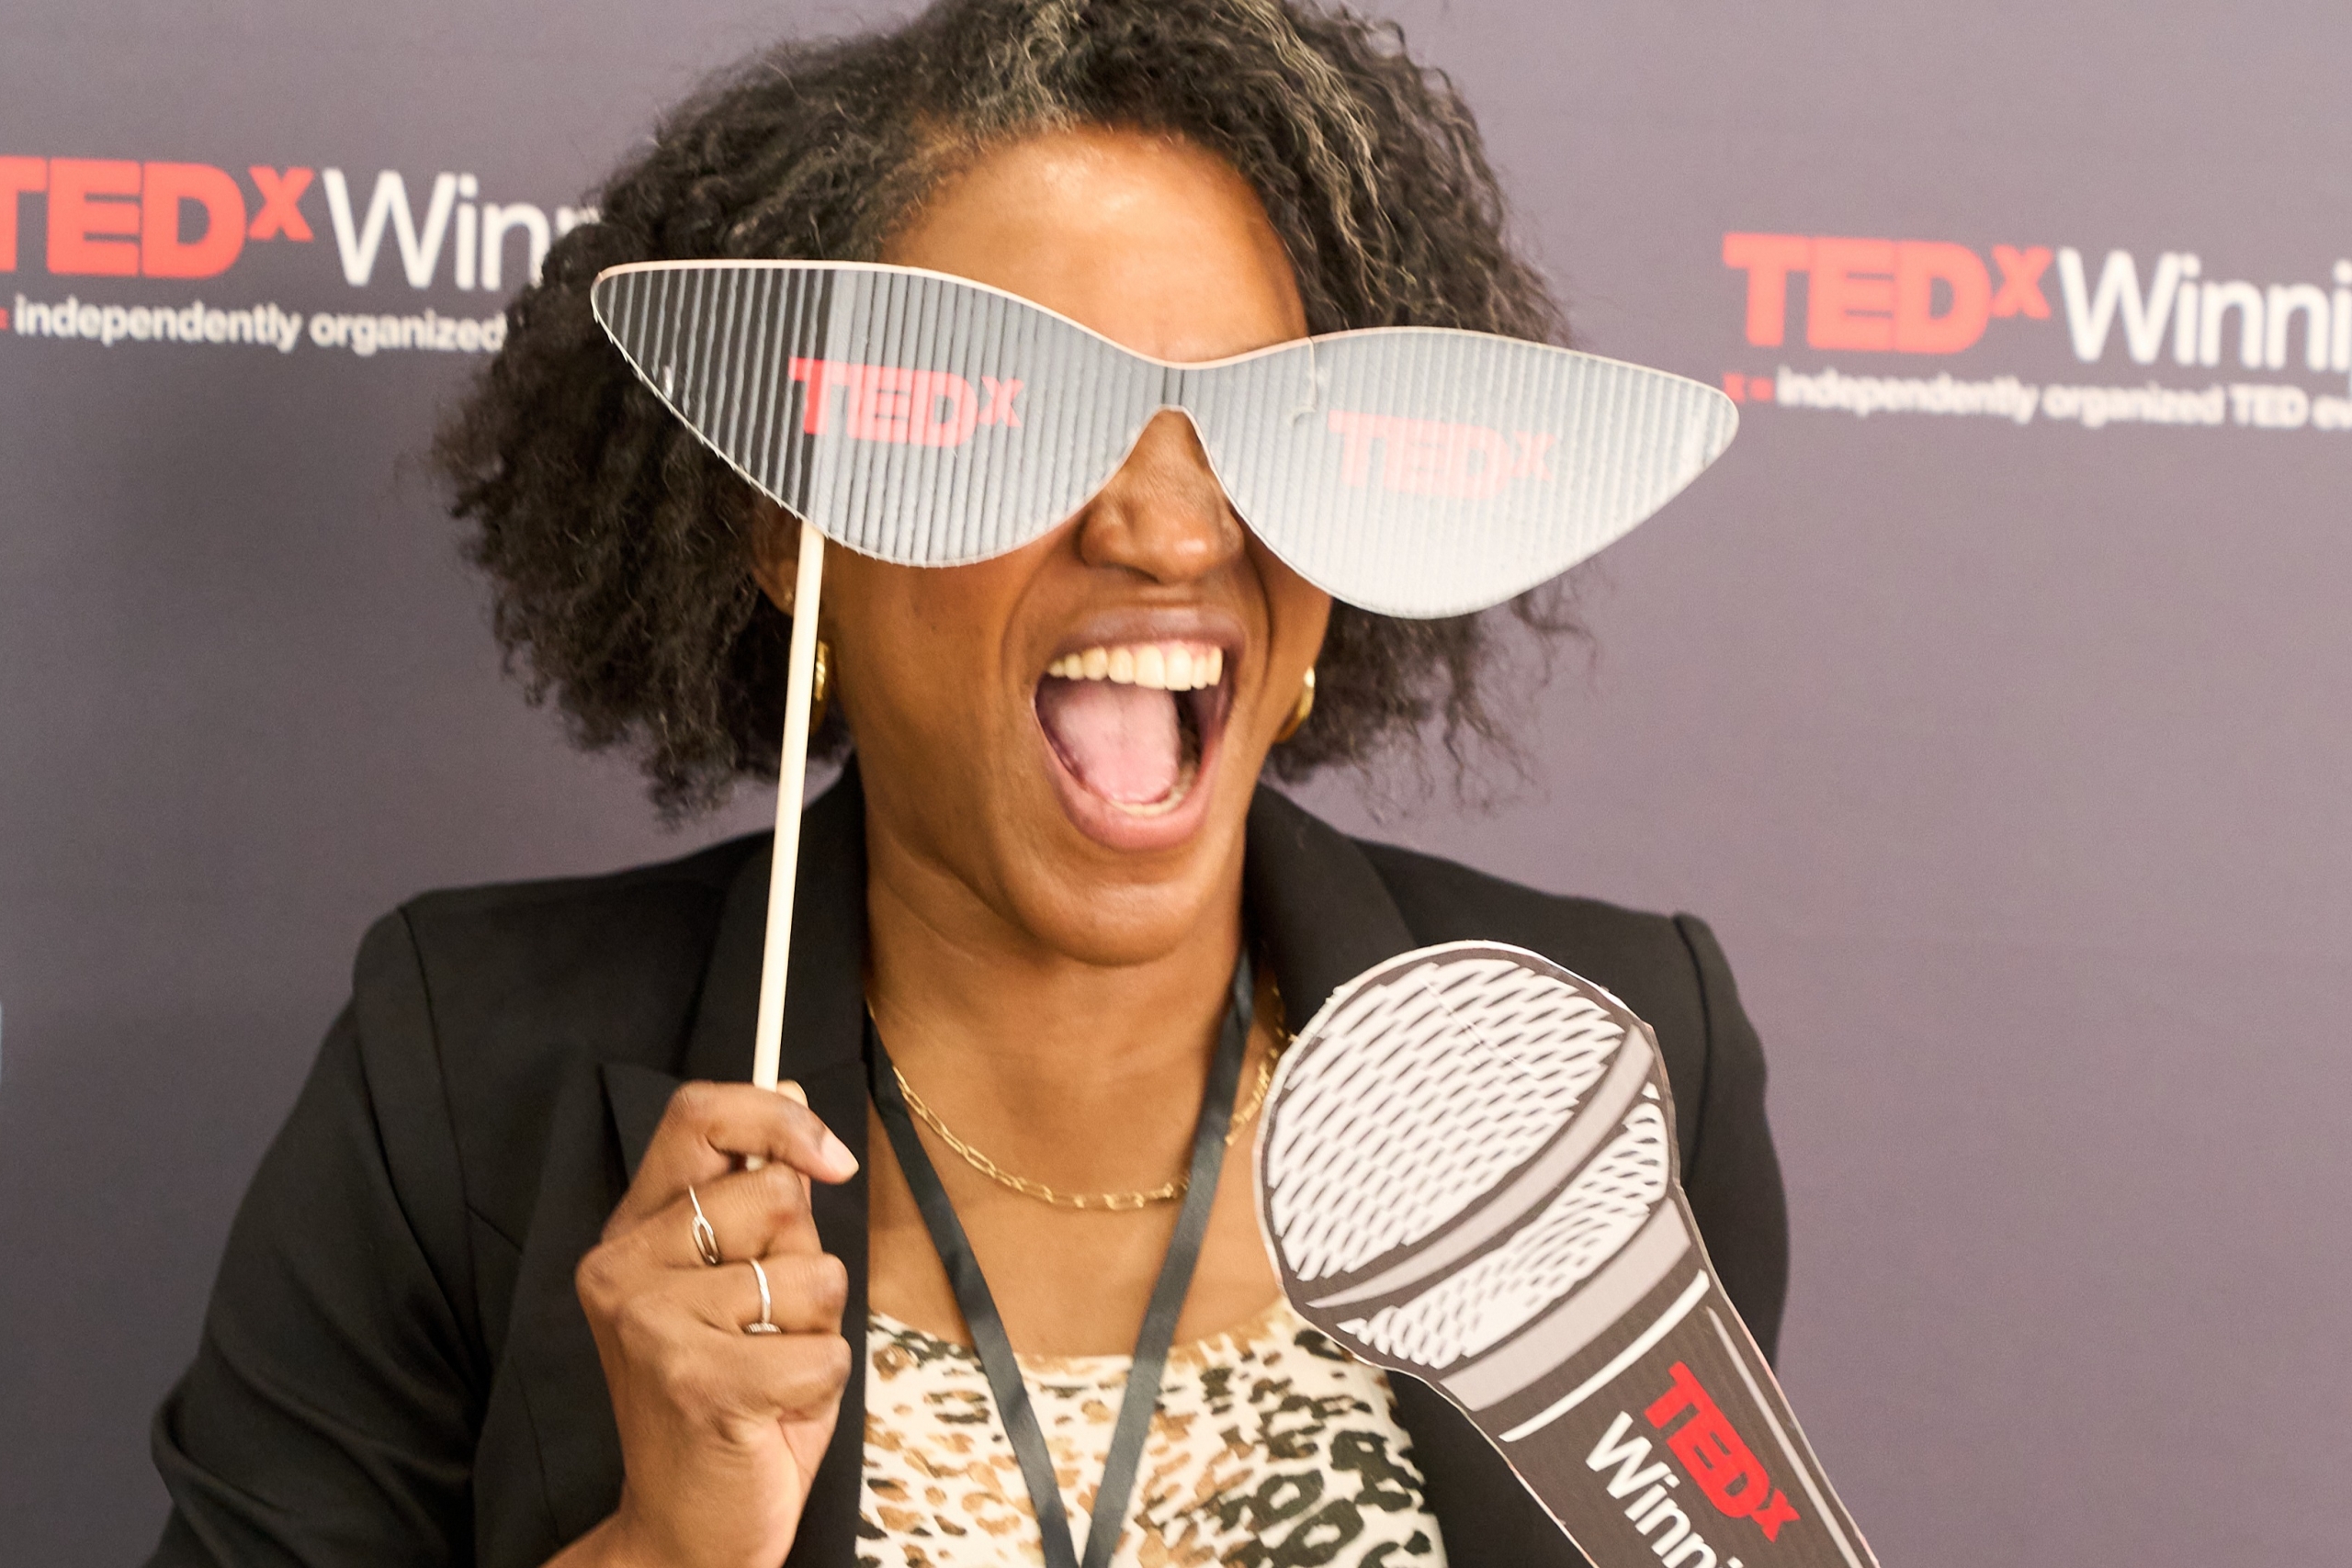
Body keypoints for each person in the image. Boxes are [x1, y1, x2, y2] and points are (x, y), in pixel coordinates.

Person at [147, 3, 1788, 1566]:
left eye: (1255, 422)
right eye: (1029, 419)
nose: (1170, 528)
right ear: (793, 531)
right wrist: (660, 1550)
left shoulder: (1610, 1071)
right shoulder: (459, 1073)